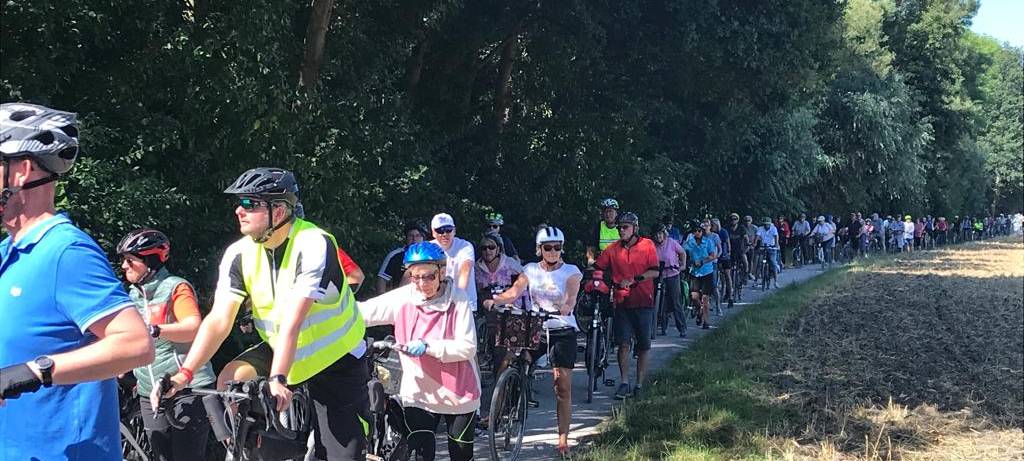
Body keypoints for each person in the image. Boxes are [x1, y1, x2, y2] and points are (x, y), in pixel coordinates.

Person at [156, 167, 369, 461]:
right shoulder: (239, 254)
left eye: (249, 203)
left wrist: (278, 377)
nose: (238, 210)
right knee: (232, 380)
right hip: (281, 349)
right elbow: (219, 321)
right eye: (240, 203)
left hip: (336, 357)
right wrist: (183, 375)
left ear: (279, 211)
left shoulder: (313, 242)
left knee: (340, 455)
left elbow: (294, 320)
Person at [0, 102, 155, 460]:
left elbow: (135, 344)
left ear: (21, 171)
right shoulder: (9, 252)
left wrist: (33, 372)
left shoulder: (66, 252)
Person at [358, 242, 480, 461]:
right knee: (423, 453)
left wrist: (428, 346)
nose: (422, 283)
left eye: (429, 277)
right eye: (415, 277)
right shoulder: (404, 298)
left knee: (461, 454)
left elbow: (468, 346)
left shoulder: (458, 299)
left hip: (459, 392)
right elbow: (364, 312)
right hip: (419, 392)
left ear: (442, 272)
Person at [117, 229, 216, 461]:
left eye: (130, 260)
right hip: (147, 390)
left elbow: (193, 327)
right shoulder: (132, 295)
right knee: (160, 456)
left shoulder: (175, 287)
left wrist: (155, 330)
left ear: (150, 261)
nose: (124, 266)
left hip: (186, 388)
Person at [484, 227, 582, 456]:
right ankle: (498, 412)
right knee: (508, 360)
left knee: (562, 386)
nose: (553, 251)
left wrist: (566, 307)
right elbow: (514, 292)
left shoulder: (571, 271)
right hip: (536, 325)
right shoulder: (530, 269)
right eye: (548, 247)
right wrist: (495, 300)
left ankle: (562, 440)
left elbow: (571, 294)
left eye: (557, 247)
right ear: (540, 249)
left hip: (561, 328)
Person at [593, 211, 659, 399]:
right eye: (620, 227)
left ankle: (639, 383)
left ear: (635, 229)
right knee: (623, 344)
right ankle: (624, 382)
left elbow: (654, 271)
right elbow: (598, 267)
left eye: (625, 227)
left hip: (643, 301)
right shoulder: (613, 249)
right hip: (621, 302)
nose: (621, 230)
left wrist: (635, 279)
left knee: (643, 345)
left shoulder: (647, 245)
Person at [430, 213, 477, 310]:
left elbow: (465, 270)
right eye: (440, 231)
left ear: (454, 231)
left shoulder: (465, 246)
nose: (444, 234)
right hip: (437, 305)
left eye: (448, 230)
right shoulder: (428, 248)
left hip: (464, 305)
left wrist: (457, 297)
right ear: (433, 233)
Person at [651, 223, 688, 336]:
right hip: (658, 274)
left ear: (664, 234)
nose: (658, 237)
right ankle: (657, 326)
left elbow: (682, 253)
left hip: (672, 273)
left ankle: (682, 328)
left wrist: (682, 265)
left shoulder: (671, 242)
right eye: (656, 235)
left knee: (675, 301)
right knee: (657, 300)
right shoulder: (652, 245)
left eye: (660, 234)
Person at [684, 220, 718, 330]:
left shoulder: (708, 242)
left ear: (702, 231)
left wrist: (703, 261)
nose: (697, 232)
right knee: (694, 297)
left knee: (705, 298)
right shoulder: (690, 243)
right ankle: (699, 310)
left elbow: (713, 255)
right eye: (695, 231)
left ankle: (706, 321)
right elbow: (682, 251)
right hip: (695, 273)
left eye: (699, 230)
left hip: (707, 272)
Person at [376, 221, 427, 294]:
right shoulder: (396, 255)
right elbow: (382, 279)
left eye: (418, 235)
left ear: (423, 238)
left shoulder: (430, 257)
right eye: (410, 235)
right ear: (406, 237)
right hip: (400, 299)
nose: (414, 239)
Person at [586, 198, 620, 265]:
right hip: (603, 263)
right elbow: (591, 247)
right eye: (605, 211)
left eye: (610, 211)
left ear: (616, 213)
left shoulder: (622, 226)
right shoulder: (598, 226)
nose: (608, 214)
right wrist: (590, 262)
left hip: (619, 263)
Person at [754, 217, 781, 287]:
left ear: (770, 224)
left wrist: (776, 244)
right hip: (763, 247)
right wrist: (755, 243)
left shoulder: (773, 228)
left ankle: (776, 282)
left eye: (768, 224)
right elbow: (757, 236)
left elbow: (776, 236)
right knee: (759, 263)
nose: (766, 226)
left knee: (773, 263)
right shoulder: (760, 228)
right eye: (765, 224)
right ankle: (756, 280)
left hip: (772, 247)